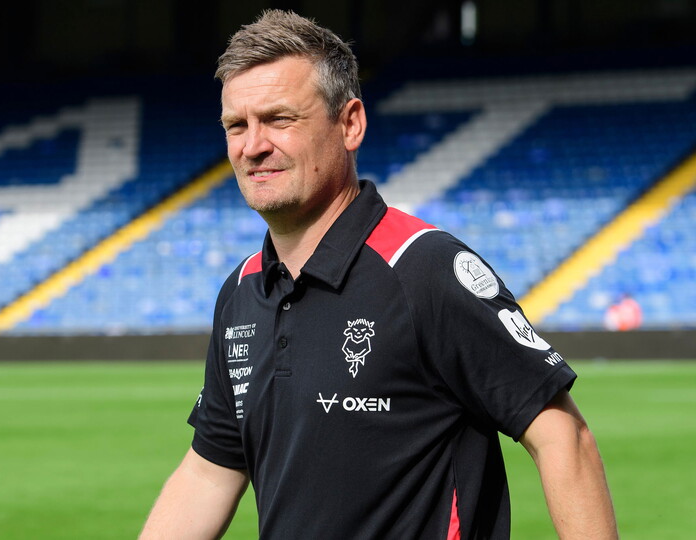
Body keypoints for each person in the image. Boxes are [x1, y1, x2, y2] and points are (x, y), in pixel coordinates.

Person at [141, 9, 617, 539]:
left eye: (279, 119)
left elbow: (563, 438)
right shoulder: (242, 291)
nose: (252, 145)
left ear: (350, 124)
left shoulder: (426, 270)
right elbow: (209, 472)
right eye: (237, 125)